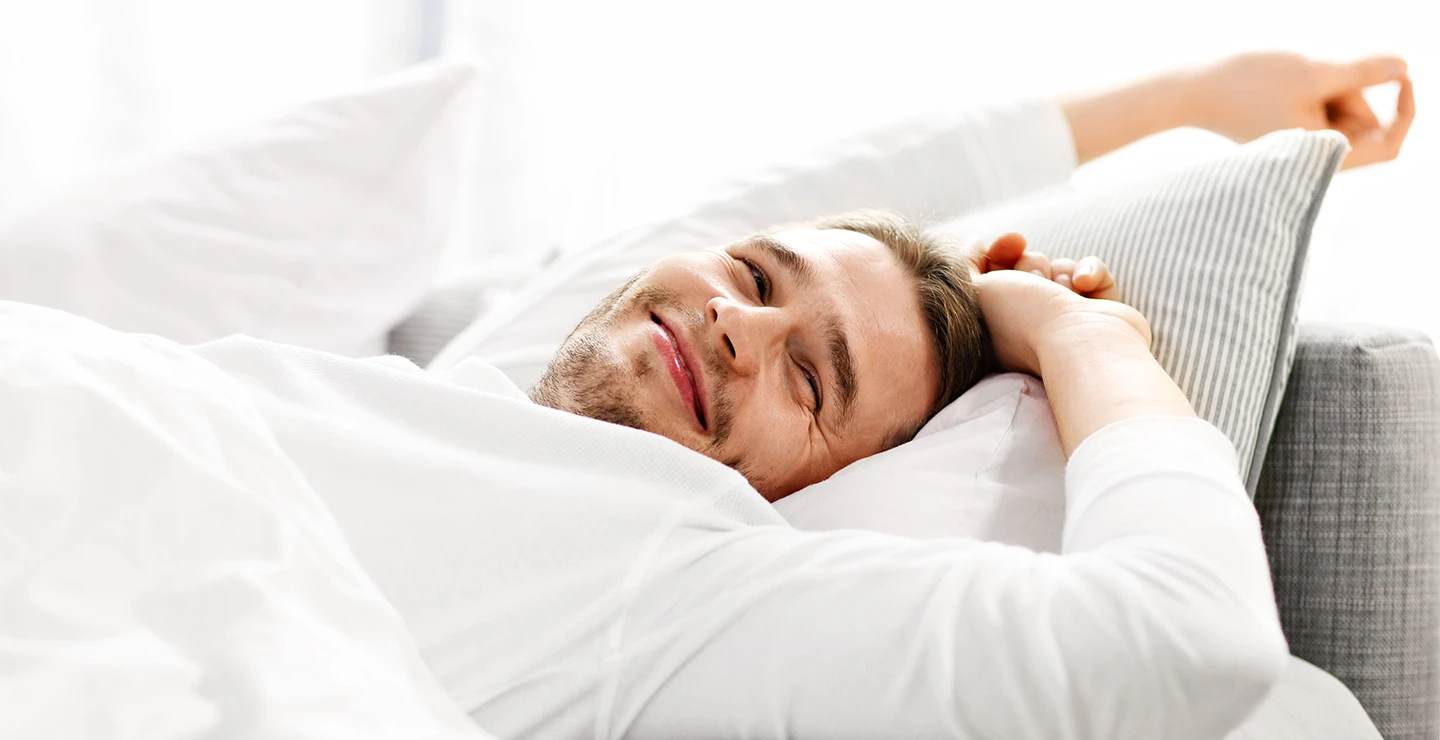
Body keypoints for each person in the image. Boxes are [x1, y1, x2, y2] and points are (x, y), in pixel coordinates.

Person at [12, 51, 1413, 739]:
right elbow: (836, 178)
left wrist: (1069, 331)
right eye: (752, 278)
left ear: (819, 484)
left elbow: (1187, 642)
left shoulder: (687, 576)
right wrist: (1203, 94)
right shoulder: (506, 365)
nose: (736, 328)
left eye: (811, 377)